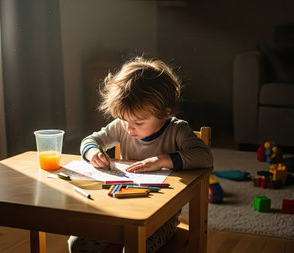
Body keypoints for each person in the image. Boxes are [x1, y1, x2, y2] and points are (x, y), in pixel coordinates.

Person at [69, 56, 214, 253]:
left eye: (138, 123)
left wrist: (163, 160)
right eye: (123, 119)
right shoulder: (121, 126)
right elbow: (90, 140)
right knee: (77, 243)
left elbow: (204, 157)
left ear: (164, 113)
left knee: (134, 247)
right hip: (119, 211)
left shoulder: (176, 130)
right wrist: (92, 152)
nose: (129, 128)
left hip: (161, 220)